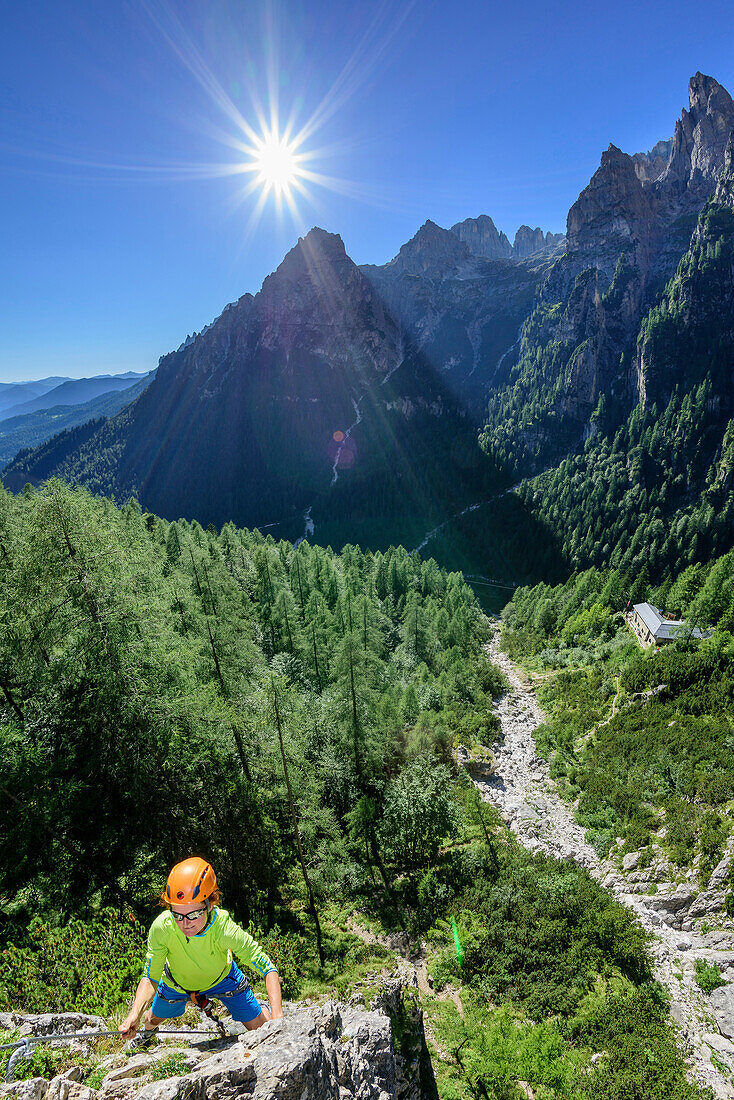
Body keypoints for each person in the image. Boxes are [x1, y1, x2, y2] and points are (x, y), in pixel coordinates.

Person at [120, 857, 283, 1050]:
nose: (185, 923)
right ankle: (146, 1035)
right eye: (177, 915)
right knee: (152, 1019)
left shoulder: (224, 929)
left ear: (210, 904)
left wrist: (278, 1017)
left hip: (224, 979)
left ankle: (263, 1009)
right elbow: (151, 977)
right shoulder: (162, 927)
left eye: (193, 914)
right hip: (177, 983)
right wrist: (134, 1015)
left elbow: (267, 969)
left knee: (259, 1028)